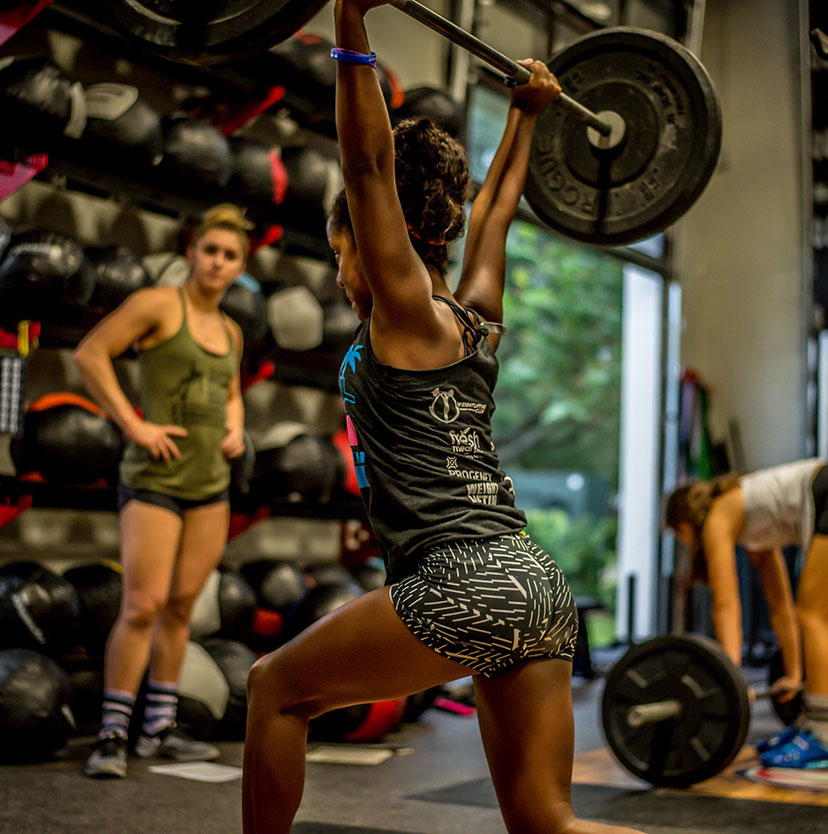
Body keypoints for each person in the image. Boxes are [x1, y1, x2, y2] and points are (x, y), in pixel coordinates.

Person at [241, 3, 646, 833]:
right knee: (547, 823)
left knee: (273, 690)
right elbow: (495, 213)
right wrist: (526, 117)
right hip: (534, 580)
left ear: (369, 237)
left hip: (462, 578)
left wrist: (353, 20)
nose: (344, 269)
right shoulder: (474, 318)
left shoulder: (408, 313)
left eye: (340, 248)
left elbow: (366, 164)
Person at [74, 203, 250, 778]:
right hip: (154, 482)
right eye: (211, 251)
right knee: (142, 605)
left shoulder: (231, 331)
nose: (218, 263)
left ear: (240, 266)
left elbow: (229, 390)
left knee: (180, 609)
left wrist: (236, 423)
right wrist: (134, 425)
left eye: (230, 256)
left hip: (210, 487)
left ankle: (159, 727)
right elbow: (90, 353)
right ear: (192, 253)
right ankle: (112, 733)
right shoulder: (158, 304)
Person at [664, 458, 828, 769]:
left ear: (684, 524)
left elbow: (726, 606)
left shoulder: (718, 517)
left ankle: (822, 737)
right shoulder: (753, 522)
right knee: (810, 613)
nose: (683, 544)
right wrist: (794, 675)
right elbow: (780, 606)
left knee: (815, 615)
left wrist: (731, 679)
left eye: (678, 536)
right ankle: (810, 726)